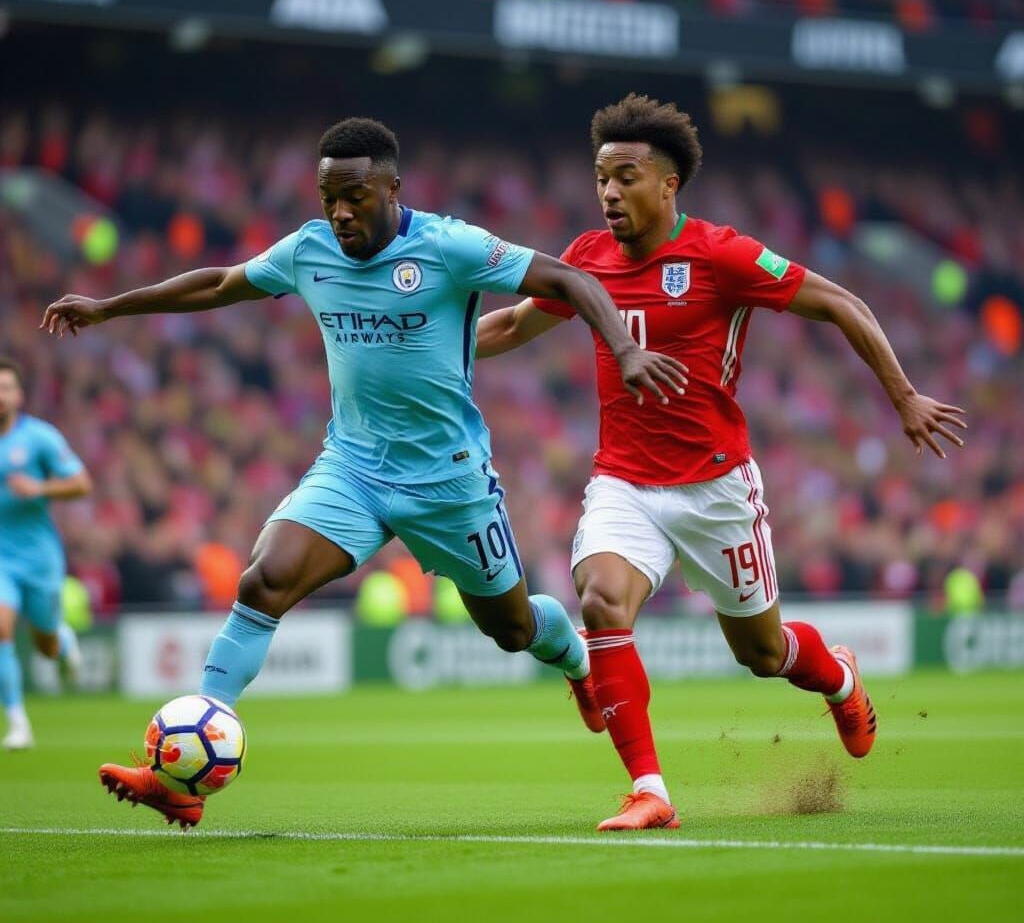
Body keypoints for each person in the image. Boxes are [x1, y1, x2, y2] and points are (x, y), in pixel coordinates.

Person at [41, 116, 686, 829]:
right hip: (351, 468)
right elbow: (221, 283)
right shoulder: (309, 249)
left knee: (510, 628)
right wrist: (109, 307)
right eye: (329, 199)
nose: (340, 212)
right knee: (264, 580)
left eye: (355, 196)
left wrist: (625, 349)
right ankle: (183, 774)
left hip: (449, 483)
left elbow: (568, 277)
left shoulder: (448, 246)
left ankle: (575, 664)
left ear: (391, 188)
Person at [475, 94, 967, 831]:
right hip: (624, 482)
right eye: (601, 178)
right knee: (601, 602)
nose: (609, 192)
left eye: (627, 177)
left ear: (668, 184)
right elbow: (516, 322)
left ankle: (838, 677)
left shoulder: (720, 255)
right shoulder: (586, 258)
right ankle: (650, 791)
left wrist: (903, 396)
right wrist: (421, 349)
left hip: (716, 490)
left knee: (763, 654)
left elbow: (843, 303)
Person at [0, 355, 92, 750]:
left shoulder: (39, 437)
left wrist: (39, 488)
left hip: (38, 557)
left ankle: (63, 641)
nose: (0, 395)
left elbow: (81, 483)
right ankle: (17, 722)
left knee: (46, 644)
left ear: (19, 395)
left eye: (6, 388)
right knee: (1, 628)